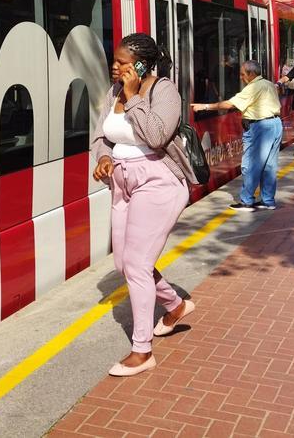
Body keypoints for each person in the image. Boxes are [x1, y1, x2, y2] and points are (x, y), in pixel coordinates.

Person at [90, 33, 201, 377]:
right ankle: (175, 305)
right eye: (115, 60)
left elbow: (155, 135)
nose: (115, 67)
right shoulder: (111, 93)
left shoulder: (163, 90)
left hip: (158, 181)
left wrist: (133, 95)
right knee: (125, 263)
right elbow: (101, 135)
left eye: (122, 62)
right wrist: (104, 157)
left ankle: (142, 350)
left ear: (140, 64)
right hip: (121, 183)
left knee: (137, 264)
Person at [193, 60, 282, 212]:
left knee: (250, 165)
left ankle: (247, 201)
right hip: (275, 125)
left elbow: (229, 104)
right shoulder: (268, 84)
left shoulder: (253, 87)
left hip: (260, 127)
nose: (240, 78)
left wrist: (204, 106)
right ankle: (268, 200)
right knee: (269, 166)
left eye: (242, 74)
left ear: (251, 74)